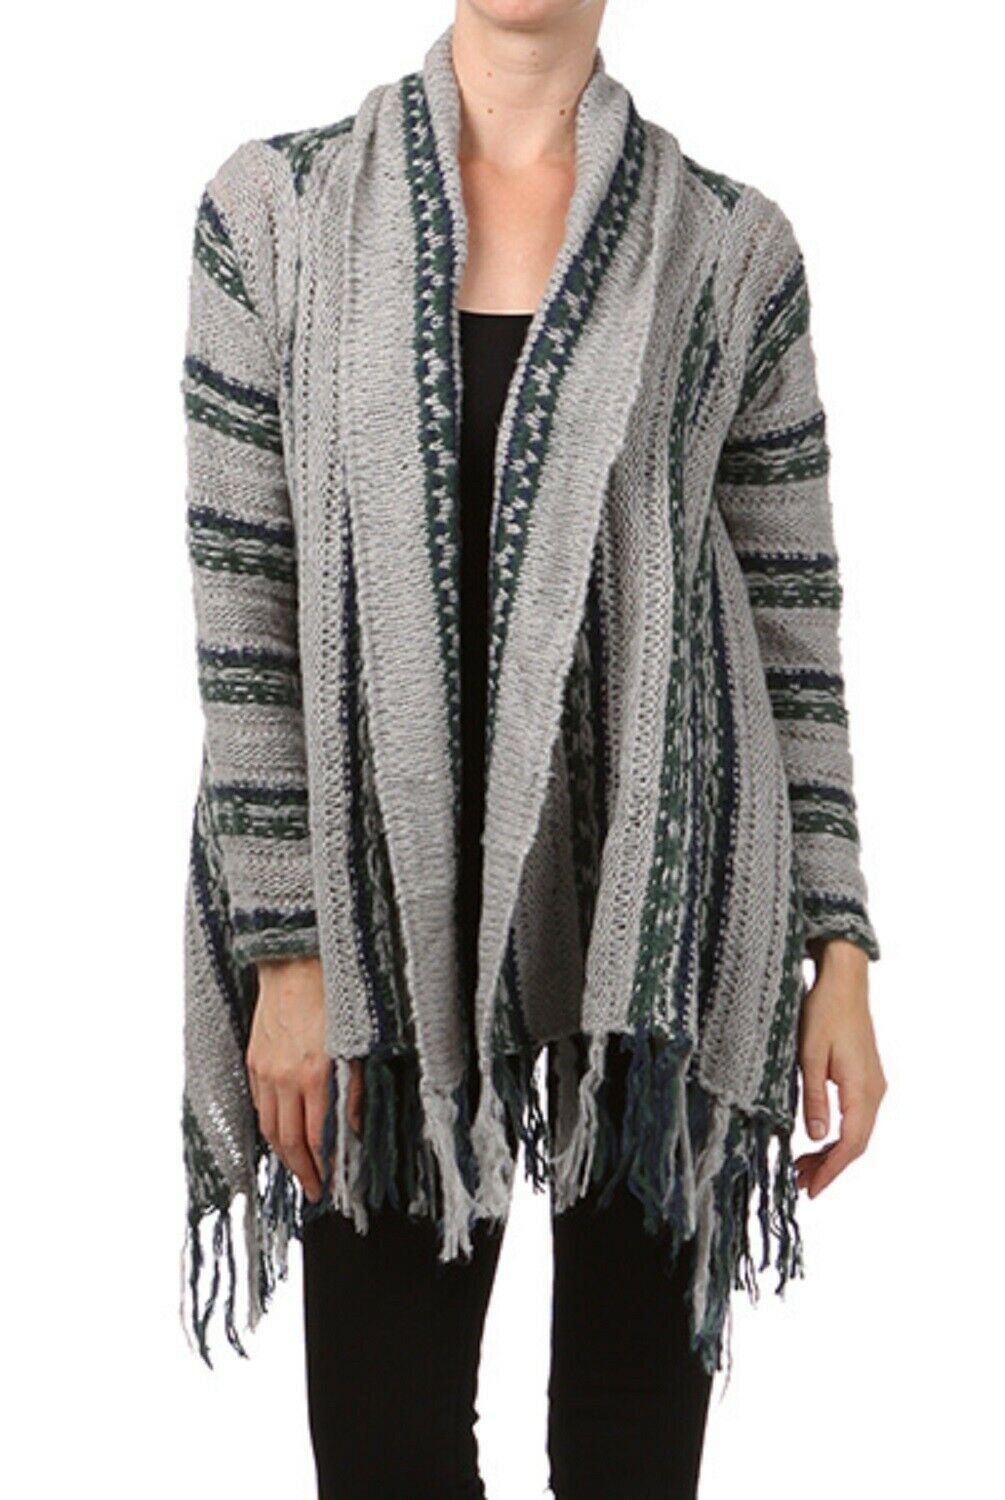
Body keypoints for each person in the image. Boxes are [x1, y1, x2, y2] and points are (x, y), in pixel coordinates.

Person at [179, 4, 887, 1496]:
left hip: (660, 918)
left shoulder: (728, 247)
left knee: (631, 1459)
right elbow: (244, 600)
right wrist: (287, 955)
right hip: (378, 926)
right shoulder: (275, 212)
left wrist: (837, 946)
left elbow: (790, 614)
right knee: (383, 1450)